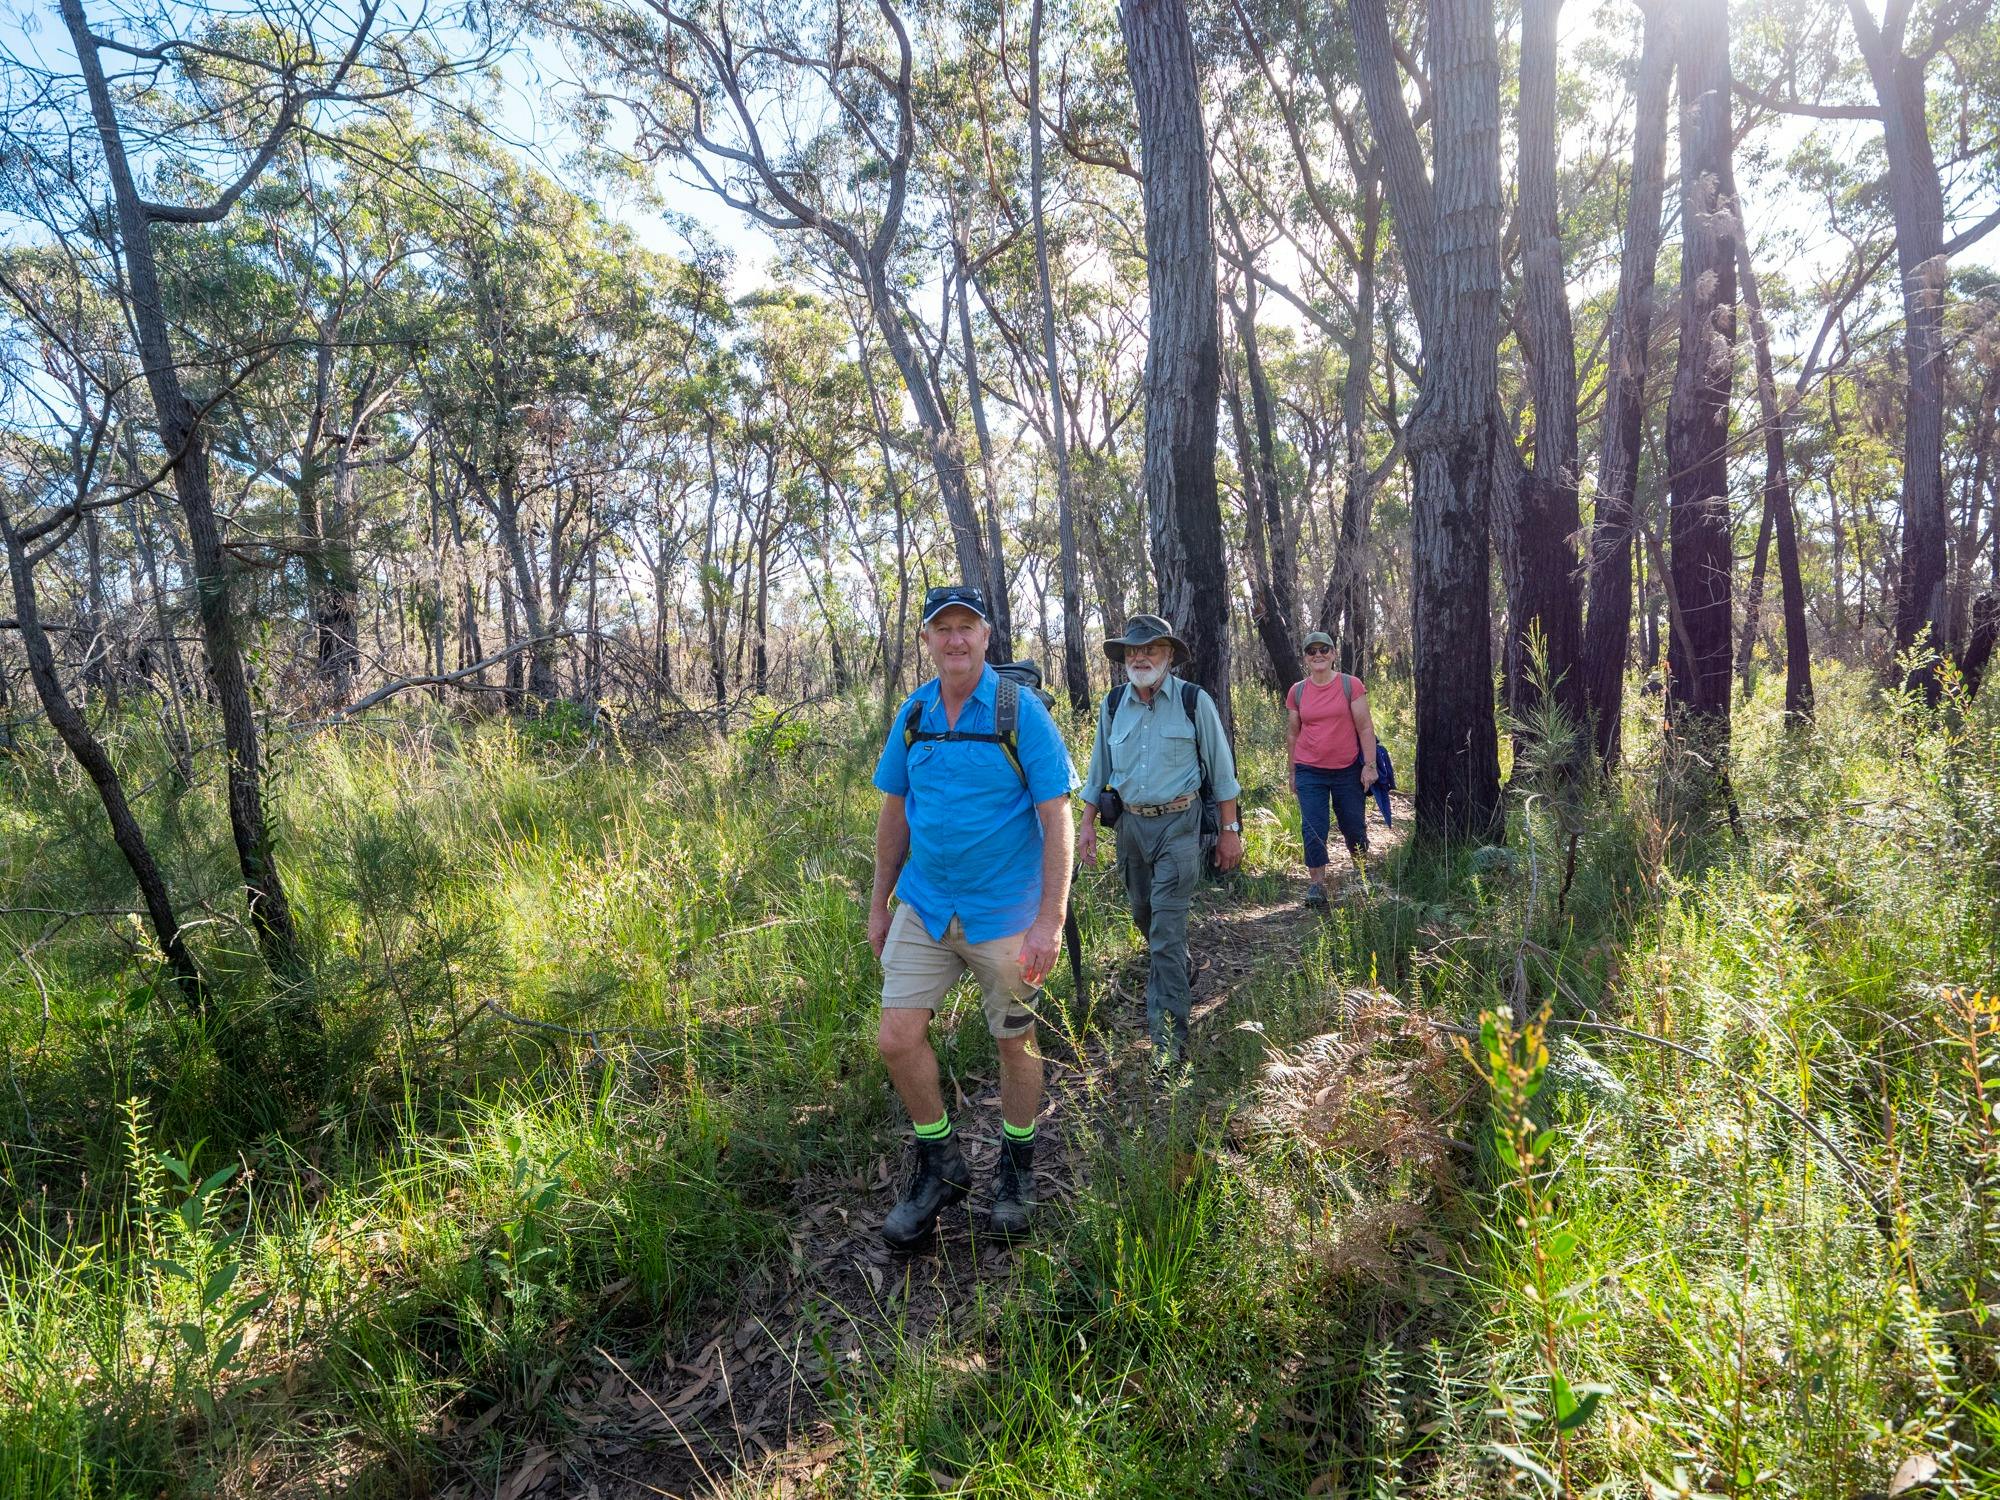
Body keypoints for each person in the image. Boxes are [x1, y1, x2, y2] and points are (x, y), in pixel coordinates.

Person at [869, 585, 1078, 1250]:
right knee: (897, 1040)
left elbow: (1057, 817)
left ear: (986, 636)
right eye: (942, 629)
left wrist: (1051, 920)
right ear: (926, 640)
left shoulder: (1020, 715)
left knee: (1015, 1043)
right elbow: (894, 811)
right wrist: (880, 903)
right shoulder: (916, 712)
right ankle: (942, 1166)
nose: (955, 640)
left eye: (967, 628)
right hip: (925, 904)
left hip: (1006, 913)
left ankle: (1016, 1172)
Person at [1076, 614, 1242, 1072]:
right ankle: (1178, 968)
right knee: (1146, 918)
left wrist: (1229, 833)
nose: (1141, 658)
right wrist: (1087, 826)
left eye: (1150, 649)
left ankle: (1168, 1039)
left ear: (1168, 655)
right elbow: (1097, 774)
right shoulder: (1112, 705)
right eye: (1133, 651)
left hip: (1180, 826)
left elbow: (1223, 774)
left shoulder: (1193, 701)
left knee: (1166, 932)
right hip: (1130, 829)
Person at [1285, 630, 1379, 908]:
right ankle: (1316, 884)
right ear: (1305, 658)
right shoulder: (1298, 691)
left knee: (1353, 827)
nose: (1318, 655)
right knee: (1313, 827)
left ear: (1334, 654)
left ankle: (1361, 873)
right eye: (1312, 651)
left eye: (1324, 650)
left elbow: (1365, 727)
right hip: (1309, 770)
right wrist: (1292, 773)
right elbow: (1293, 734)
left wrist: (1369, 766)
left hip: (1347, 769)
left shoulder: (1351, 685)